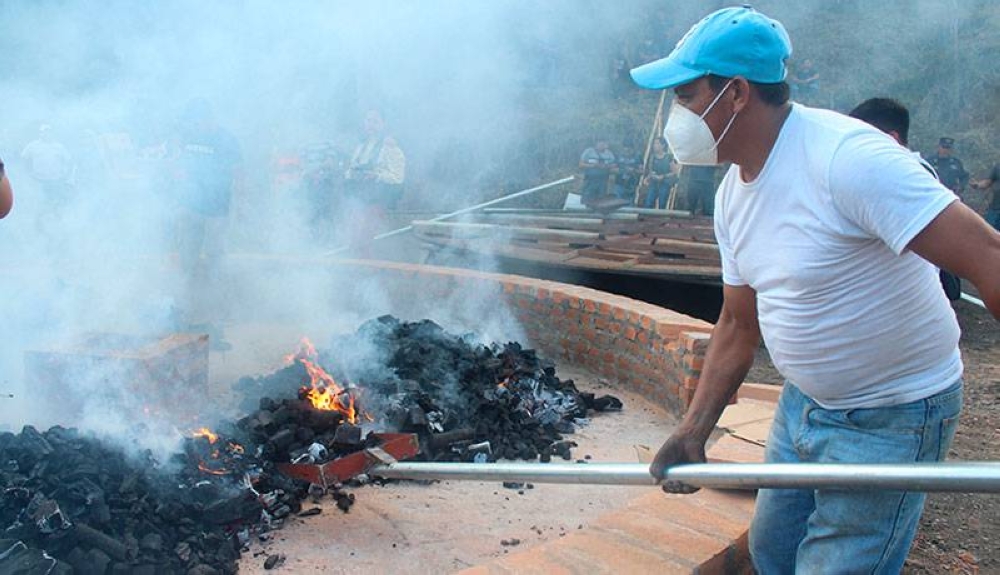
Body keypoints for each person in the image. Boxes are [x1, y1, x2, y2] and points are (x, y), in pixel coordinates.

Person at [630, 6, 1000, 574]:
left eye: (685, 94)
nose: (676, 114)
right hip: (802, 406)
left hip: (893, 415)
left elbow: (988, 258)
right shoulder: (734, 194)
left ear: (735, 94)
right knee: (773, 556)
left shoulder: (848, 160)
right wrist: (692, 430)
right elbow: (737, 323)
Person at [849, 97, 963, 301]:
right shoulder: (897, 172)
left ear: (891, 139)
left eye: (862, 137)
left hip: (906, 298)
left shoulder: (905, 177)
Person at [171, 99, 243, 346]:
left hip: (217, 213)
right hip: (190, 210)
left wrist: (238, 209)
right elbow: (178, 166)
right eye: (192, 121)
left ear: (209, 118)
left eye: (198, 120)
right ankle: (183, 319)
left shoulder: (227, 140)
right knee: (186, 265)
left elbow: (238, 175)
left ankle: (216, 325)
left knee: (216, 267)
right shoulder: (187, 137)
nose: (195, 125)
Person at [344, 110, 406, 211]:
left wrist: (377, 176)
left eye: (375, 121)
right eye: (368, 120)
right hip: (357, 201)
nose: (371, 125)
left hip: (379, 203)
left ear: (383, 124)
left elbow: (398, 178)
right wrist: (351, 174)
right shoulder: (360, 146)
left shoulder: (390, 146)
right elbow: (350, 169)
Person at [578, 139, 616, 205]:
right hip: (590, 180)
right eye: (601, 144)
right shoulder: (589, 151)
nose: (602, 145)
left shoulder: (609, 153)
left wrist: (606, 166)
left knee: (601, 200)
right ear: (596, 144)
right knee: (587, 199)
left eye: (604, 144)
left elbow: (615, 165)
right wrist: (593, 165)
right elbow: (580, 165)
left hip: (603, 181)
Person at [642, 137, 677, 208]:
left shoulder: (669, 157)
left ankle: (660, 219)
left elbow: (674, 172)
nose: (654, 145)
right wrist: (647, 178)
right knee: (648, 203)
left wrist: (663, 176)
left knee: (662, 203)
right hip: (654, 183)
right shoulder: (652, 157)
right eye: (654, 143)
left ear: (663, 145)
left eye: (657, 143)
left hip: (665, 183)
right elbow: (651, 171)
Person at [970, 165, 1000, 231]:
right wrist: (977, 185)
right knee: (987, 231)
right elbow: (987, 182)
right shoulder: (998, 167)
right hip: (995, 208)